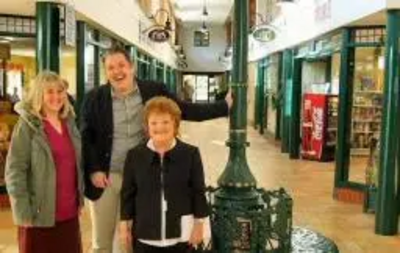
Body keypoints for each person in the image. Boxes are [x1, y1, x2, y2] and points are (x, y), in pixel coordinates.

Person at [81, 46, 231, 253]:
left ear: (131, 66)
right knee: (102, 242)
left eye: (122, 65)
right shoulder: (94, 98)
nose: (117, 72)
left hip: (142, 177)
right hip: (107, 178)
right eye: (111, 67)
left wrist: (223, 106)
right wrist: (94, 169)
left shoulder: (152, 90)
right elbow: (86, 137)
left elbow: (183, 109)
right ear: (106, 71)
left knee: (130, 238)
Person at [5, 71, 84, 253]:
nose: (56, 96)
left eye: (60, 91)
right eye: (49, 92)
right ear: (39, 94)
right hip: (37, 216)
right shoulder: (27, 126)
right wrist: (22, 211)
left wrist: (79, 199)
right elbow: (14, 170)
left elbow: (75, 166)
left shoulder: (69, 122)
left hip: (69, 214)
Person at [120, 96, 209, 253]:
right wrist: (124, 226)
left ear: (175, 124)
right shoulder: (134, 156)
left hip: (181, 237)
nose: (159, 127)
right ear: (147, 126)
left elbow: (198, 191)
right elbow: (128, 194)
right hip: (145, 237)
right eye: (154, 122)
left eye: (165, 122)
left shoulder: (190, 153)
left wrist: (199, 224)